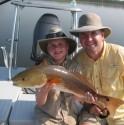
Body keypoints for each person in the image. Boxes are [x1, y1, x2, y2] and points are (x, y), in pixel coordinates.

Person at [70, 13, 124, 125]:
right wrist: (89, 106)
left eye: (93, 33)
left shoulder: (120, 54)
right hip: (91, 112)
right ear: (79, 38)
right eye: (84, 34)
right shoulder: (76, 60)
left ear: (102, 35)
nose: (88, 39)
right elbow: (76, 92)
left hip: (120, 112)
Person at [34, 26, 86, 125]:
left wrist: (85, 97)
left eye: (60, 44)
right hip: (47, 117)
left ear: (67, 47)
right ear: (47, 49)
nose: (57, 48)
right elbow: (40, 102)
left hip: (70, 116)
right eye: (52, 45)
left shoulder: (74, 66)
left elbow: (77, 97)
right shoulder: (42, 69)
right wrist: (45, 90)